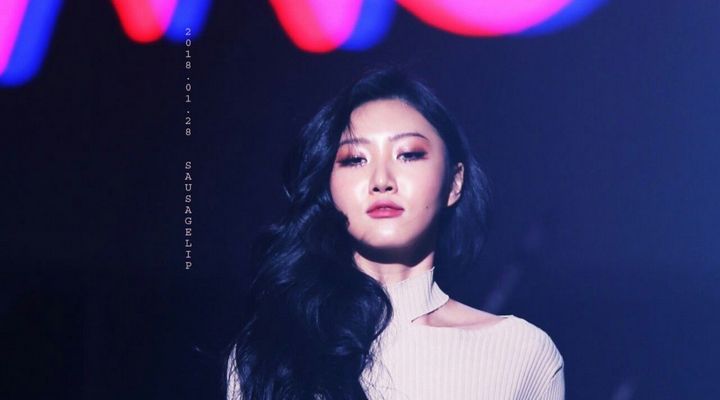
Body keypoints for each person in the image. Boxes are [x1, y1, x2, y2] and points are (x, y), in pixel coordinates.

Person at [225, 68, 564, 399]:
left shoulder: (520, 353)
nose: (381, 180)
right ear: (328, 185)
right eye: (355, 159)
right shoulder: (269, 355)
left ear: (454, 182)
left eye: (408, 154)